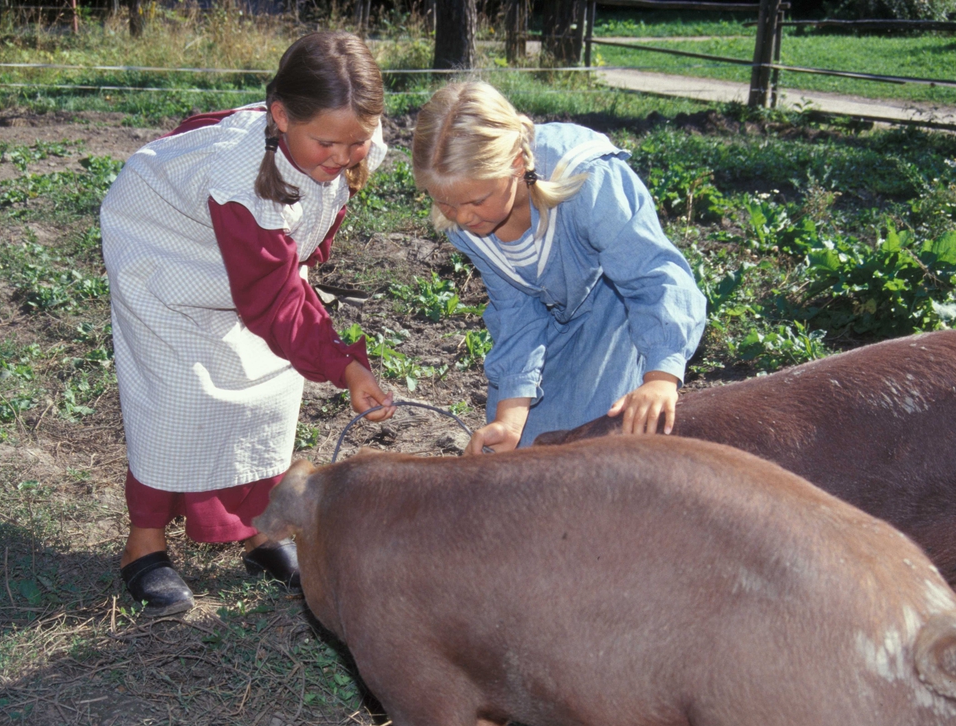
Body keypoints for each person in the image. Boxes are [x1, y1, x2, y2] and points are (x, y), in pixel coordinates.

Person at [100, 31, 394, 616]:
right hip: (165, 254)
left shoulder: (345, 139)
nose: (341, 157)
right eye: (327, 143)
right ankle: (145, 547)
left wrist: (308, 288)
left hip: (244, 256)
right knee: (177, 400)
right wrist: (342, 363)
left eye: (356, 142)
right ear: (281, 118)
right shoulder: (240, 174)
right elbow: (269, 299)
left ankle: (262, 533)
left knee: (272, 387)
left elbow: (299, 247)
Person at [411, 81, 706, 453]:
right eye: (446, 203)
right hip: (552, 319)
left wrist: (660, 378)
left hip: (613, 311)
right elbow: (517, 312)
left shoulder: (587, 181)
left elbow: (653, 275)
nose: (461, 216)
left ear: (516, 165)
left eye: (475, 201)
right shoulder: (464, 221)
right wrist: (510, 420)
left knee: (591, 448)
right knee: (517, 452)